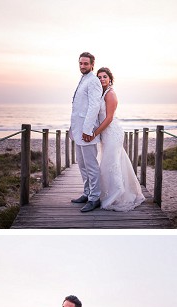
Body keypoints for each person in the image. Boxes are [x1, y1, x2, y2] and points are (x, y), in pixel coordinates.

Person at [89, 67, 145, 212]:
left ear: (110, 79)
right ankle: (110, 192)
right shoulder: (102, 93)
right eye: (99, 77)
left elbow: (109, 118)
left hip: (112, 133)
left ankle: (117, 195)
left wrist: (95, 133)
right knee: (111, 162)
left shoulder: (111, 94)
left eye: (104, 77)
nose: (102, 79)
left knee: (111, 163)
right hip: (105, 134)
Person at [70, 52, 104, 212]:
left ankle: (94, 198)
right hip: (77, 131)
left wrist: (87, 129)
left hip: (86, 131)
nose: (82, 66)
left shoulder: (94, 81)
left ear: (92, 65)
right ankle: (87, 192)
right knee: (82, 165)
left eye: (85, 64)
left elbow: (94, 106)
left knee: (91, 166)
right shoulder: (83, 78)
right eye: (80, 63)